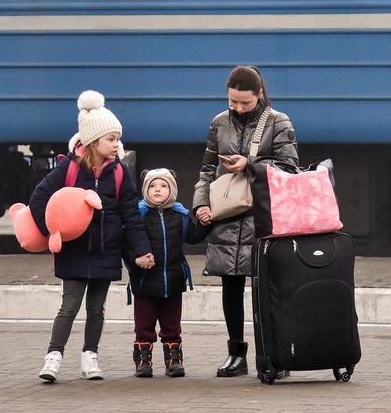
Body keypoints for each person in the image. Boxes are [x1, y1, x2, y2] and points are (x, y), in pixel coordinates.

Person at [28, 90, 154, 383]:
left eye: (117, 139)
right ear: (93, 141)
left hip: (106, 251)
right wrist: (51, 232)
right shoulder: (68, 168)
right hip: (73, 250)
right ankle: (53, 356)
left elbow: (131, 215)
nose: (116, 144)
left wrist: (141, 249)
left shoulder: (121, 172)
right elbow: (39, 199)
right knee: (69, 306)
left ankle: (90, 357)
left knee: (96, 308)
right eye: (111, 139)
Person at [192, 65, 299, 377]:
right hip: (226, 215)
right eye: (232, 102)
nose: (237, 108)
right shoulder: (219, 123)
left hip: (264, 216)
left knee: (268, 289)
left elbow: (289, 168)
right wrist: (201, 204)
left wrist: (250, 164)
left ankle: (276, 356)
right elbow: (207, 169)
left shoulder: (279, 122)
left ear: (260, 95)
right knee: (231, 286)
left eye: (244, 103)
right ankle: (236, 354)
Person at [125, 168, 210, 378]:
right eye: (152, 186)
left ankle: (174, 359)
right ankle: (143, 360)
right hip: (144, 282)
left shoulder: (180, 214)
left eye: (163, 186)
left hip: (173, 280)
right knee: (144, 325)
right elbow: (126, 243)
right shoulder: (138, 215)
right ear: (145, 189)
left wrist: (206, 222)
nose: (157, 190)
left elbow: (193, 236)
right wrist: (136, 259)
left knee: (172, 325)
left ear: (172, 190)